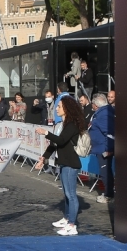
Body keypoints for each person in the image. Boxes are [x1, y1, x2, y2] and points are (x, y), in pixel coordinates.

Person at [34, 96, 87, 236]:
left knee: (71, 194)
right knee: (66, 193)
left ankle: (72, 225)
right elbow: (54, 144)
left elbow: (61, 140)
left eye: (59, 106)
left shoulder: (72, 125)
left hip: (71, 163)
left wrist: (46, 133)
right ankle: (67, 218)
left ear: (67, 109)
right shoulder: (61, 125)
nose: (57, 108)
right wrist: (43, 158)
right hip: (63, 162)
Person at [89, 94, 116, 203]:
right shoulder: (103, 113)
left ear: (96, 105)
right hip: (101, 146)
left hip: (104, 148)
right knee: (105, 171)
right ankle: (108, 193)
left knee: (105, 172)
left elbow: (110, 133)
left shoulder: (104, 114)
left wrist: (109, 149)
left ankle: (109, 195)